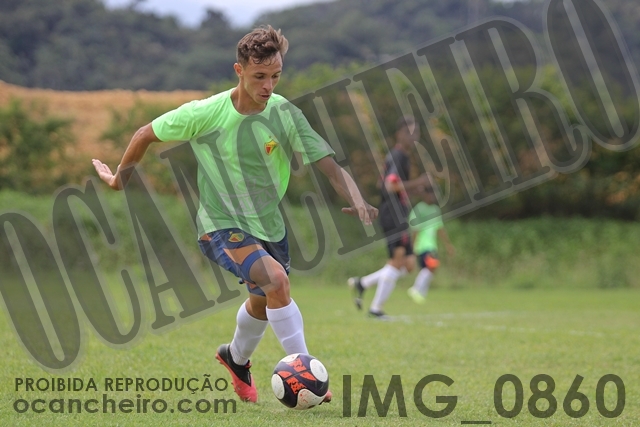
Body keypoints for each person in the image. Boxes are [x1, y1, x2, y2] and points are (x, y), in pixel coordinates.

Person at [92, 25, 377, 404]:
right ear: (239, 70)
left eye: (275, 76)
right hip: (220, 225)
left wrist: (356, 197)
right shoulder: (206, 113)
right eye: (260, 76)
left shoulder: (284, 114)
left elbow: (328, 165)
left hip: (269, 227)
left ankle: (235, 358)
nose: (268, 86)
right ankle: (307, 373)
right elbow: (145, 133)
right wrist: (118, 181)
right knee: (276, 282)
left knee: (263, 300)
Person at [348, 115, 430, 318]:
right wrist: (418, 182)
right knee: (397, 261)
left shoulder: (399, 156)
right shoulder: (398, 156)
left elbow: (384, 184)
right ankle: (376, 310)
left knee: (408, 264)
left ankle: (362, 283)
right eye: (409, 132)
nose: (414, 136)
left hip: (398, 212)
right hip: (393, 214)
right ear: (399, 134)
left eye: (416, 133)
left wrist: (412, 190)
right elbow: (389, 186)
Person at [406, 186, 455, 303]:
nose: (432, 197)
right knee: (431, 266)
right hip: (422, 245)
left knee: (429, 269)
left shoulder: (435, 210)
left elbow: (440, 228)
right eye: (430, 194)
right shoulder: (419, 209)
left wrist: (448, 244)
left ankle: (421, 294)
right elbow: (415, 229)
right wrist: (412, 246)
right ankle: (415, 289)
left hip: (432, 244)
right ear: (425, 195)